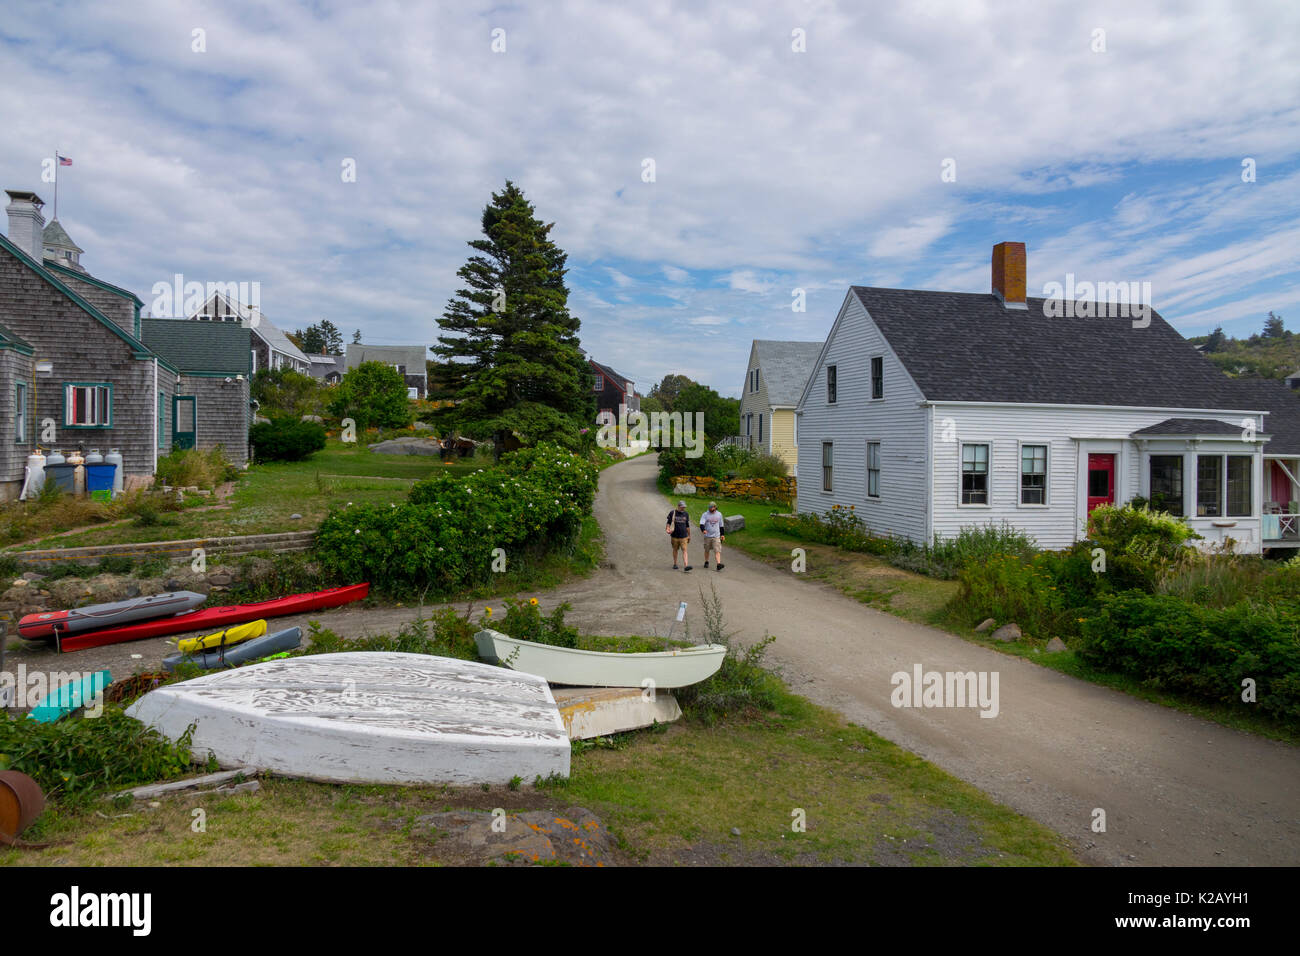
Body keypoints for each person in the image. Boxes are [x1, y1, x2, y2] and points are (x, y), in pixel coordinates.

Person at [666, 500, 693, 571]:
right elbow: (668, 522)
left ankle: (686, 565)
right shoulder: (672, 513)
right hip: (674, 536)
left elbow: (687, 525)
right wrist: (667, 529)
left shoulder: (686, 514)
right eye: (682, 507)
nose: (683, 508)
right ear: (678, 506)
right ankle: (675, 564)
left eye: (684, 507)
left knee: (684, 550)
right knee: (675, 549)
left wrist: (689, 535)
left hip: (684, 536)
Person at [699, 501, 726, 570]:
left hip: (716, 536)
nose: (710, 509)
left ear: (715, 507)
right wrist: (703, 530)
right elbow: (701, 524)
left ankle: (718, 564)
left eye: (712, 507)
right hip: (707, 536)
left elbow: (721, 525)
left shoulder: (719, 514)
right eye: (709, 508)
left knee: (717, 550)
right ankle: (706, 561)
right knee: (707, 550)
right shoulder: (705, 514)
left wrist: (722, 535)